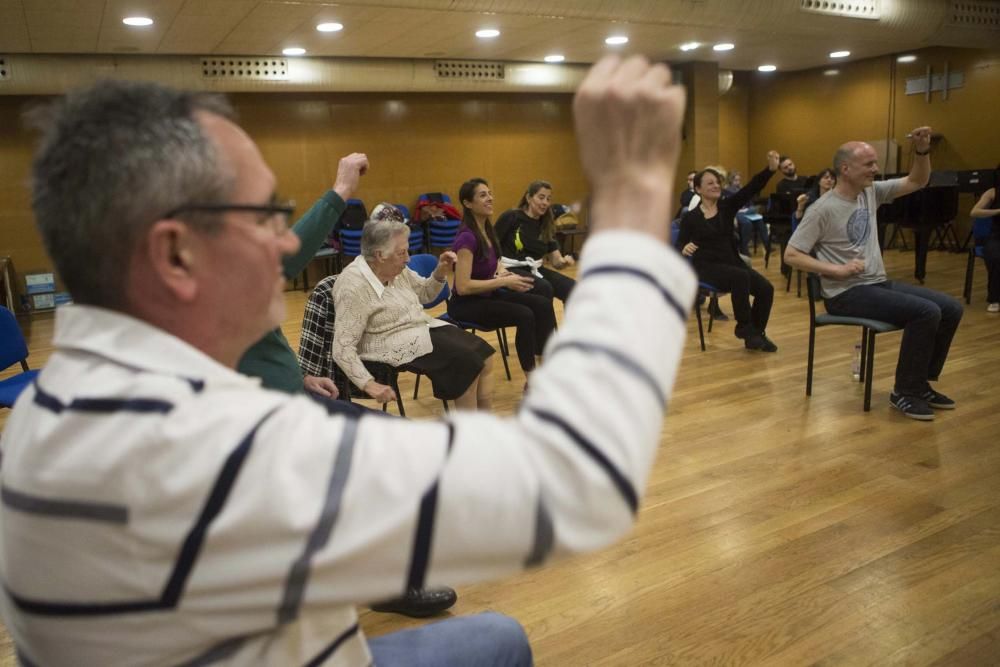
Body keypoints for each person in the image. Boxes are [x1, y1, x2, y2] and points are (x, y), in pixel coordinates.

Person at [0, 54, 695, 666]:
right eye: (266, 215)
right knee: (502, 635)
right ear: (177, 254)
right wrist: (633, 194)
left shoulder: (53, 406)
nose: (288, 242)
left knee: (493, 636)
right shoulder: (215, 449)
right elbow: (577, 481)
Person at [784, 128, 963, 421]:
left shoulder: (870, 192)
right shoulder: (822, 209)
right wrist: (835, 269)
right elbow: (791, 254)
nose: (876, 170)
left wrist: (921, 151)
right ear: (846, 168)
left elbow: (918, 180)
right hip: (844, 294)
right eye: (869, 164)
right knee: (926, 312)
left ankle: (920, 383)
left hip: (875, 285)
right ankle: (904, 392)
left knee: (951, 308)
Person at [328, 204, 496, 411]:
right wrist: (368, 384)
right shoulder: (353, 285)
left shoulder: (396, 268)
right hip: (387, 339)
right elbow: (342, 348)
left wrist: (441, 271)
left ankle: (486, 427)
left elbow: (425, 294)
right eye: (402, 253)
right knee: (467, 364)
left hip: (420, 326)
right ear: (380, 255)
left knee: (485, 357)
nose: (408, 259)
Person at [447, 177, 557, 378]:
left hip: (488, 295)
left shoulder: (487, 229)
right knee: (525, 314)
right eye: (483, 195)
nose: (490, 198)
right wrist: (504, 281)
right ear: (467, 203)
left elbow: (494, 261)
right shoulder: (467, 237)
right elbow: (462, 287)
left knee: (541, 303)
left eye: (489, 193)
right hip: (466, 304)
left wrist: (503, 271)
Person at [676, 151, 782, 351]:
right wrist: (684, 247)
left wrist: (770, 171)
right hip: (706, 267)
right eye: (710, 183)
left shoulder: (726, 207)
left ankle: (756, 333)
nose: (716, 185)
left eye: (718, 182)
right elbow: (679, 243)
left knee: (766, 288)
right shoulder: (691, 218)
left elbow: (751, 189)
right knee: (740, 277)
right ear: (698, 189)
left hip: (731, 263)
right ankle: (745, 328)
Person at [494, 180, 577, 303]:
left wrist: (564, 262)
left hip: (535, 269)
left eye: (548, 199)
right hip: (511, 268)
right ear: (529, 197)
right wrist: (499, 268)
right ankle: (546, 322)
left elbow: (556, 262)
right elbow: (490, 246)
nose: (545, 203)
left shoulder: (546, 224)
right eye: (541, 197)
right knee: (544, 288)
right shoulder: (511, 217)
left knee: (573, 289)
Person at [969, 164, 1000, 312]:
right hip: (996, 236)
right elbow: (974, 212)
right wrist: (997, 211)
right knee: (995, 256)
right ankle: (995, 298)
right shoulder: (992, 192)